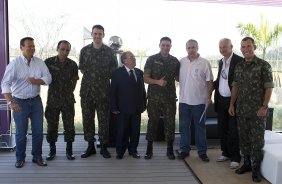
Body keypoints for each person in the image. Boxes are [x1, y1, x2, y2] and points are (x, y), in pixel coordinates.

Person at [1, 37, 52, 168]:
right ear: (22, 47)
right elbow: (5, 84)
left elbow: (48, 78)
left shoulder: (39, 62)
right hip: (19, 102)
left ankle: (37, 157)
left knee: (38, 132)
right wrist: (11, 102)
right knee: (20, 133)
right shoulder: (14, 64)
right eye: (29, 46)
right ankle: (20, 158)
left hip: (36, 102)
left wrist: (37, 81)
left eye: (33, 46)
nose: (32, 49)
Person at [229, 37, 273, 182]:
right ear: (240, 48)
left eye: (249, 46)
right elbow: (235, 86)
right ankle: (246, 164)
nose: (246, 49)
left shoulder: (263, 65)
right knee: (244, 140)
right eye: (243, 47)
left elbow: (268, 87)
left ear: (254, 47)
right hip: (241, 110)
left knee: (257, 142)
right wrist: (231, 104)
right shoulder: (239, 66)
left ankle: (256, 170)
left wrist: (264, 106)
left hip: (257, 112)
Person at [79, 24, 118, 159]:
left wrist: (101, 77)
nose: (97, 36)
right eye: (95, 33)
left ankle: (104, 147)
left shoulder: (109, 51)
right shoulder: (85, 51)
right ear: (92, 34)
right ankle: (90, 146)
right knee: (88, 119)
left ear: (103, 35)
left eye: (99, 34)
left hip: (103, 92)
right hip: (87, 92)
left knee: (103, 120)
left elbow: (114, 70)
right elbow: (82, 68)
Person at [143, 37, 179, 160]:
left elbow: (180, 78)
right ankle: (149, 149)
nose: (165, 47)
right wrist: (157, 82)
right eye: (163, 45)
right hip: (154, 98)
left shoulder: (175, 61)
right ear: (159, 45)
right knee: (152, 122)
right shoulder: (152, 59)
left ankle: (169, 149)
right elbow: (145, 78)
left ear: (170, 46)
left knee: (170, 123)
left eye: (168, 45)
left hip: (169, 98)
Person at [178, 39, 213, 162]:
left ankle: (202, 152)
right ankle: (184, 150)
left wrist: (209, 96)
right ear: (186, 49)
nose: (191, 50)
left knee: (200, 127)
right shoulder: (182, 62)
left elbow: (210, 81)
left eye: (193, 47)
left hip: (199, 102)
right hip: (183, 102)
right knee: (183, 127)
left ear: (197, 47)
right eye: (189, 48)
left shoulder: (204, 63)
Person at [44, 40, 79, 161]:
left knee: (69, 126)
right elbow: (43, 78)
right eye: (62, 49)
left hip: (68, 101)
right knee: (52, 125)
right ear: (57, 48)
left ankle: (69, 151)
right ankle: (52, 150)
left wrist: (69, 91)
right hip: (53, 100)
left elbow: (75, 80)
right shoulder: (48, 62)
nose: (65, 52)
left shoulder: (73, 64)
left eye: (67, 50)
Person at [110, 51, 147, 160]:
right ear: (124, 60)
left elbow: (142, 90)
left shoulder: (139, 72)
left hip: (137, 109)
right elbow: (113, 92)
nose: (134, 59)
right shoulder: (117, 73)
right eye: (131, 57)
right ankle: (120, 152)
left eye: (134, 57)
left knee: (135, 131)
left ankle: (133, 151)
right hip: (122, 109)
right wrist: (114, 107)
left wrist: (144, 104)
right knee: (122, 131)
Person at [213, 38, 242, 169]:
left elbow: (239, 84)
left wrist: (232, 103)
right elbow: (220, 79)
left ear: (231, 46)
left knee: (233, 130)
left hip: (234, 102)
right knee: (222, 129)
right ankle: (225, 153)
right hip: (221, 100)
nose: (222, 49)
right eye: (220, 47)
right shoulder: (221, 62)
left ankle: (235, 157)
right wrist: (208, 86)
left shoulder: (239, 61)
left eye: (224, 47)